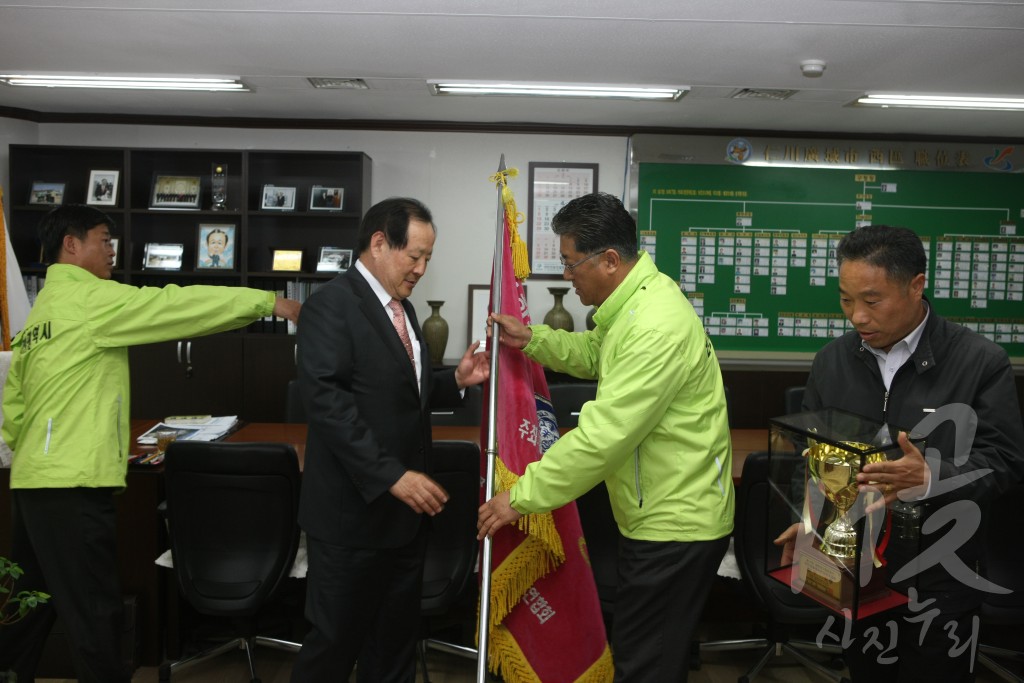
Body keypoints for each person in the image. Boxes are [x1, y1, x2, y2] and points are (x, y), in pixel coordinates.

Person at [0, 204, 301, 682]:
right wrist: (268, 303)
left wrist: (43, 450)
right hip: (72, 484)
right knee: (95, 617)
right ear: (72, 245)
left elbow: (14, 408)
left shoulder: (38, 316)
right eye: (103, 239)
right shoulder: (89, 301)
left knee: (26, 610)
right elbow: (174, 306)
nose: (112, 250)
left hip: (34, 481)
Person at [477, 192, 734, 681]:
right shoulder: (635, 305)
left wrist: (520, 497)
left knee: (645, 664)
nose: (567, 276)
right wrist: (532, 339)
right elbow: (595, 354)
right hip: (660, 513)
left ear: (610, 260)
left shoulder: (654, 325)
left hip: (675, 524)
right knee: (650, 657)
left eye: (572, 264)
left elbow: (601, 438)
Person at [775, 224, 1024, 682]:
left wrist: (931, 476)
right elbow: (810, 456)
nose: (856, 316)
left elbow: (1005, 463)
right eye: (846, 299)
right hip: (856, 567)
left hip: (942, 571)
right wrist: (813, 522)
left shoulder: (979, 361)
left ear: (916, 285)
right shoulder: (832, 361)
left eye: (872, 301)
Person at [289, 197, 489, 682]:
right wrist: (391, 474)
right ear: (379, 243)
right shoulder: (330, 306)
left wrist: (454, 380)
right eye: (414, 256)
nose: (421, 268)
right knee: (334, 647)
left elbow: (400, 389)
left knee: (394, 647)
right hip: (351, 518)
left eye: (428, 259)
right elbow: (329, 406)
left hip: (403, 518)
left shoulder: (402, 308)